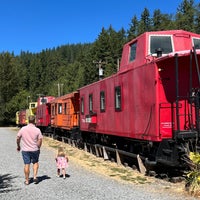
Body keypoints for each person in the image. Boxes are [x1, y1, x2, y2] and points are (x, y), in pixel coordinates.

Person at [16, 115, 43, 185]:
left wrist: (18, 146)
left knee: (26, 164)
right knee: (35, 163)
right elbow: (40, 140)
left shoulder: (23, 129)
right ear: (34, 121)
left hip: (25, 150)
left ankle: (27, 180)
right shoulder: (37, 130)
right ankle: (34, 177)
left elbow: (18, 137)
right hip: (35, 149)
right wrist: (38, 147)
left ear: (28, 120)